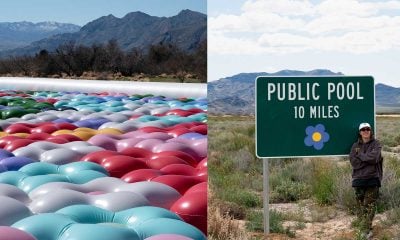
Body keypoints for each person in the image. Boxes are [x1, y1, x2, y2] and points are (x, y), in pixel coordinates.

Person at [349, 122, 383, 239]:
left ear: (370, 131)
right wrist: (367, 160)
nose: (365, 131)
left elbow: (375, 158)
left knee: (369, 205)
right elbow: (354, 162)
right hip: (358, 180)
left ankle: (366, 230)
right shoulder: (355, 146)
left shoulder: (376, 144)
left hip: (373, 179)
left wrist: (361, 156)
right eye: (363, 129)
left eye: (367, 129)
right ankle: (363, 227)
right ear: (360, 132)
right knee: (360, 206)